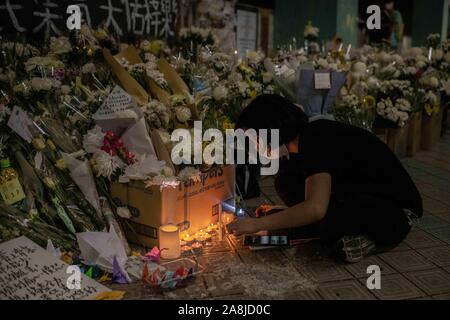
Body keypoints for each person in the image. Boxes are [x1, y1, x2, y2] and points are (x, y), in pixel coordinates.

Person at [227, 94, 423, 263]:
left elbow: (316, 208)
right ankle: (312, 223)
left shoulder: (317, 137)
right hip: (359, 195)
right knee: (286, 181)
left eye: (254, 139)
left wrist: (255, 225)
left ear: (270, 129)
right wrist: (290, 212)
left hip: (396, 213)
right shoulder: (299, 145)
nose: (254, 146)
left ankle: (366, 239)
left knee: (329, 219)